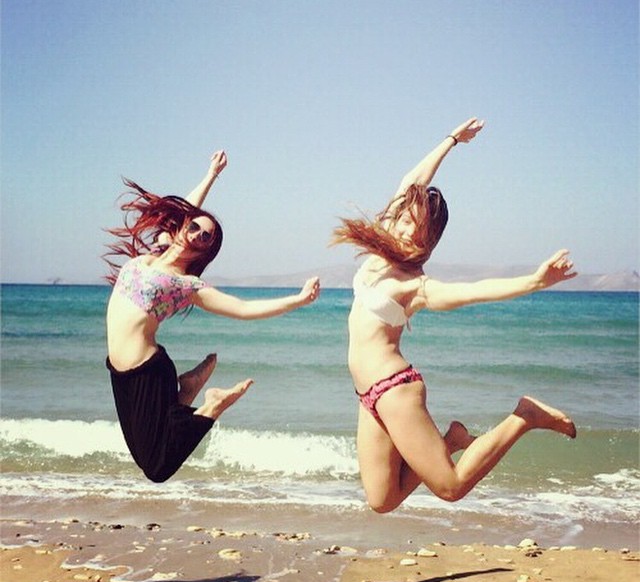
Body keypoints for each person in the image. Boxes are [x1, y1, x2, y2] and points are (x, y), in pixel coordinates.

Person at [331, 118, 577, 513]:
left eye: (420, 230)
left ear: (428, 240)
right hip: (368, 396)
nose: (408, 231)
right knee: (382, 500)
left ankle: (525, 416)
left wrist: (535, 281)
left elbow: (473, 291)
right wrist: (451, 141)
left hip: (395, 390)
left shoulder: (414, 284)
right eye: (407, 220)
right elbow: (412, 181)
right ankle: (452, 439)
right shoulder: (381, 249)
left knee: (452, 486)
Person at [104, 150, 320, 483]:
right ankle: (189, 389)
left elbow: (243, 309)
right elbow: (187, 209)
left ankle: (213, 404)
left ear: (206, 250)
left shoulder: (186, 285)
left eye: (206, 237)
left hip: (148, 371)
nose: (197, 234)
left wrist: (298, 300)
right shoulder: (155, 252)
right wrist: (211, 174)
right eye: (194, 227)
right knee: (152, 453)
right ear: (181, 226)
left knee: (156, 468)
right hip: (120, 371)